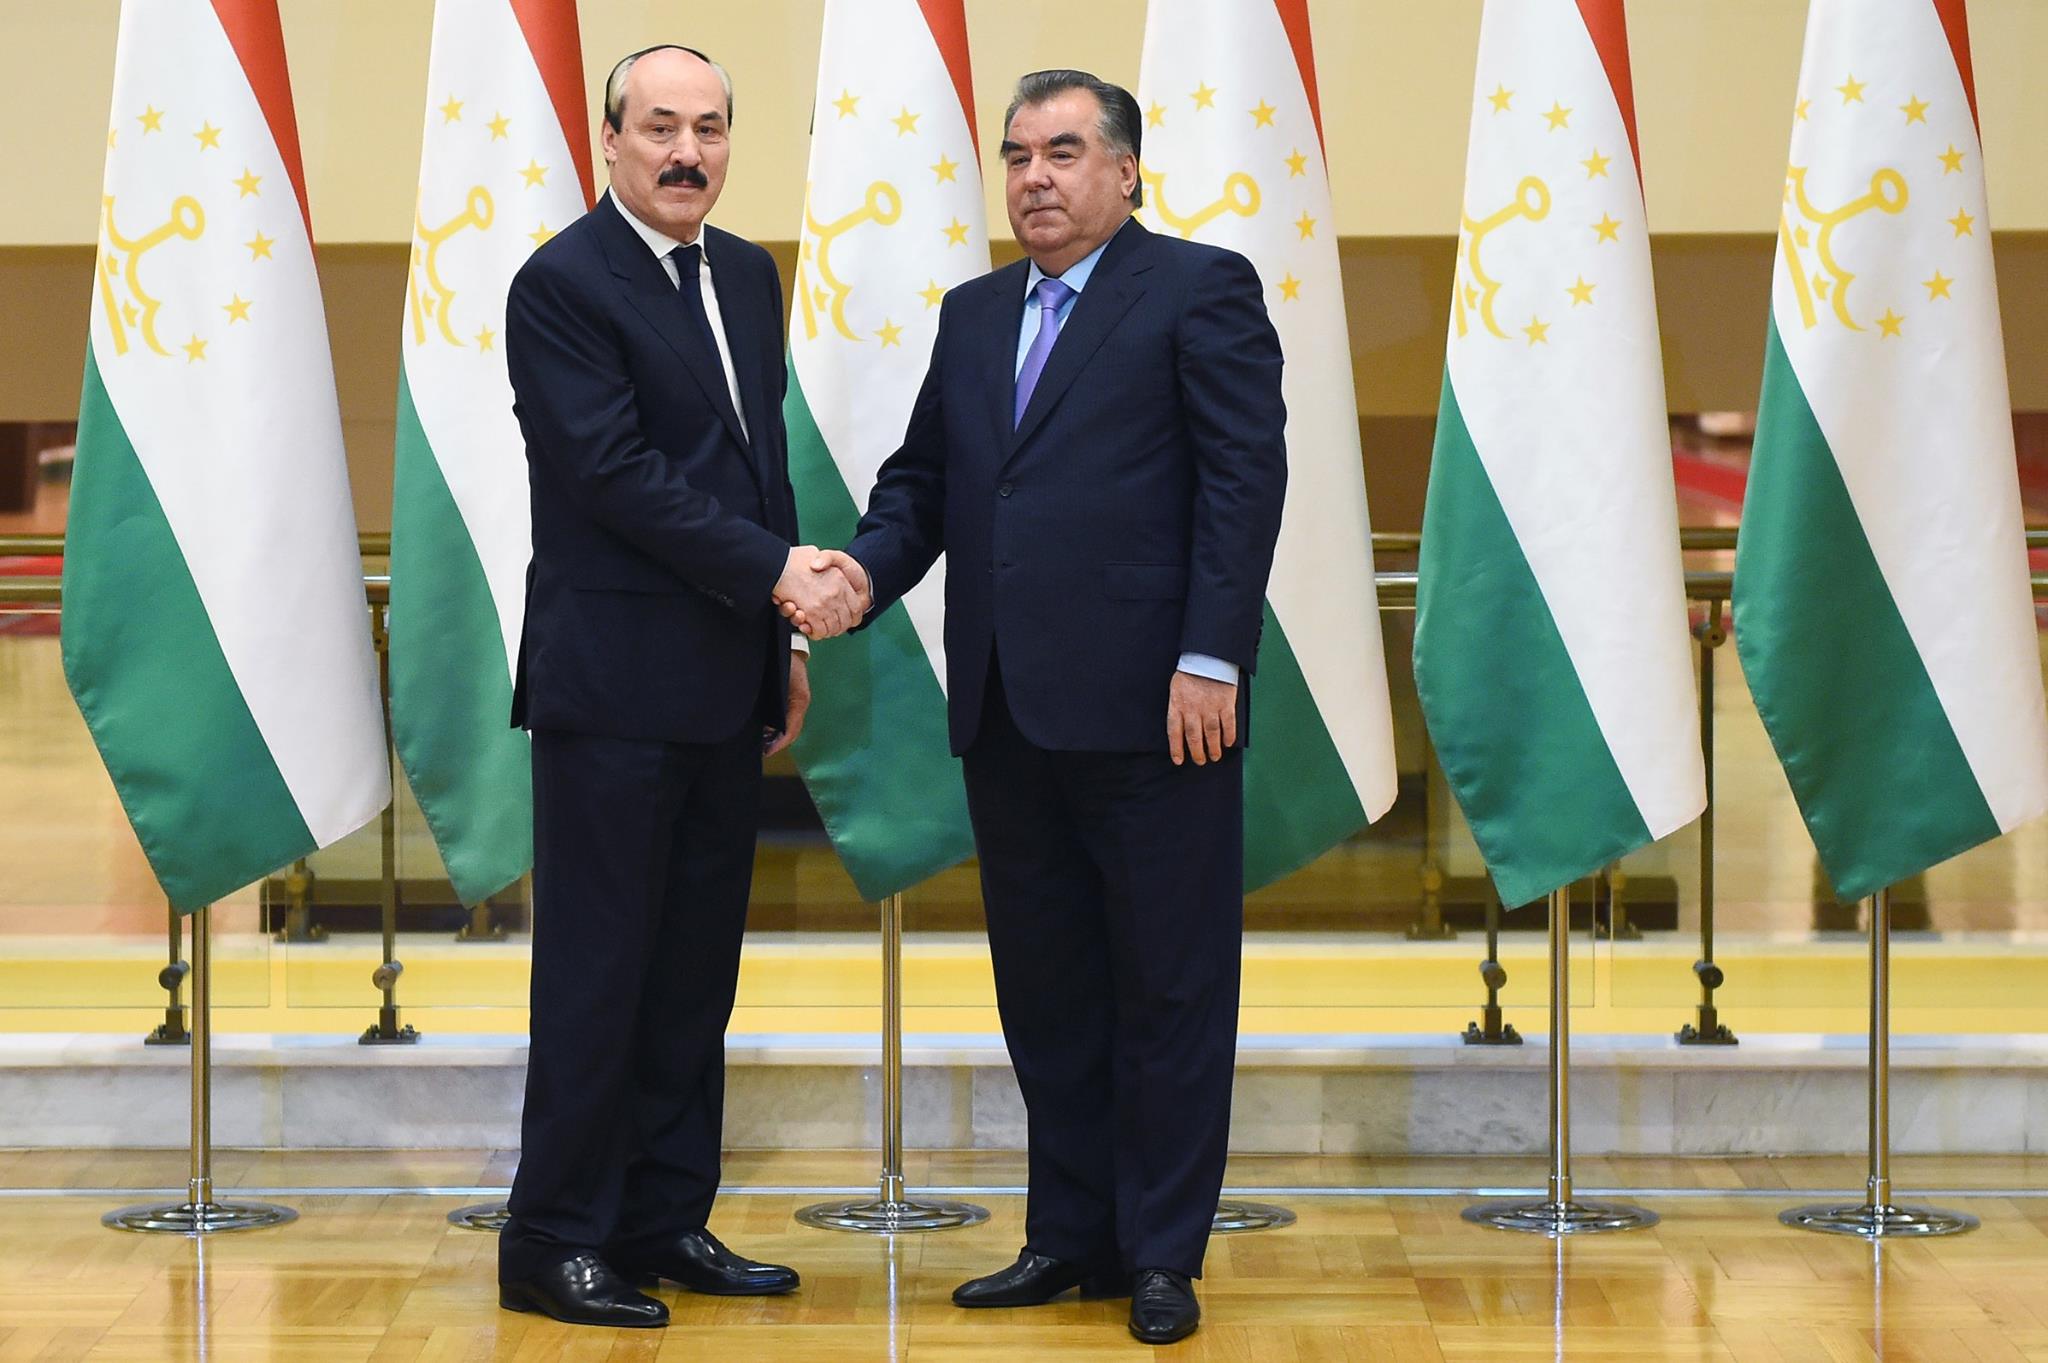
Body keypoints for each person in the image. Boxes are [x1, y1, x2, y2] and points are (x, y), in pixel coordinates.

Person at [797, 68, 1287, 1346]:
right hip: (1008, 713)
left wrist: (1211, 656)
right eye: (1017, 155)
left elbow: (1242, 483)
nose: (1033, 178)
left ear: (1125, 171)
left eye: (1063, 152)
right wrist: (859, 574)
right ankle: (1069, 1235)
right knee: (1049, 992)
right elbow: (924, 485)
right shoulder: (973, 314)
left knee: (1169, 989)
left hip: (1161, 710)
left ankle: (1161, 1252)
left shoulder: (1198, 288)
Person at [495, 43, 863, 1329]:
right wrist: (779, 573)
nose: (685, 152)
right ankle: (553, 1238)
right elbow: (612, 476)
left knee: (692, 975)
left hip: (722, 686)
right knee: (597, 974)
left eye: (707, 128)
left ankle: (660, 1217)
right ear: (610, 141)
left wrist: (787, 641)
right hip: (610, 691)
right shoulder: (561, 284)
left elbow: (760, 467)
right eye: (659, 127)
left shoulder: (748, 273)